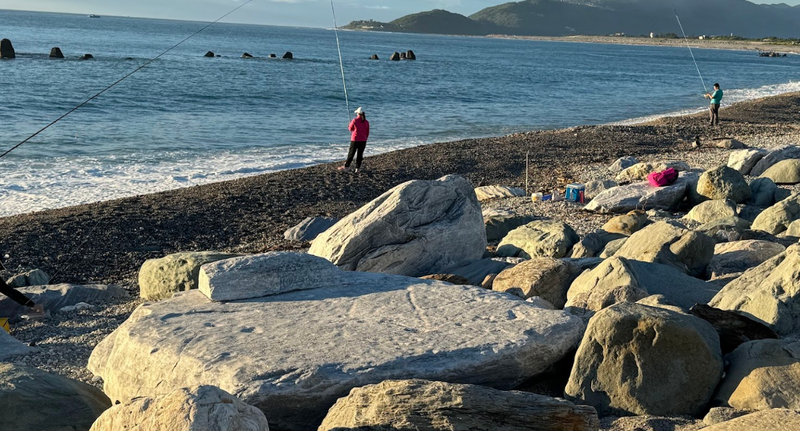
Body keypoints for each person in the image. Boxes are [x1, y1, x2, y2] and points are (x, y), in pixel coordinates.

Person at [338, 107, 370, 173]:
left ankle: (347, 167)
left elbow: (350, 129)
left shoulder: (354, 120)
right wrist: (365, 138)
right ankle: (357, 168)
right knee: (360, 154)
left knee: (351, 153)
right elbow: (367, 132)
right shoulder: (366, 122)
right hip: (363, 140)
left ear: (358, 113)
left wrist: (349, 124)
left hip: (355, 139)